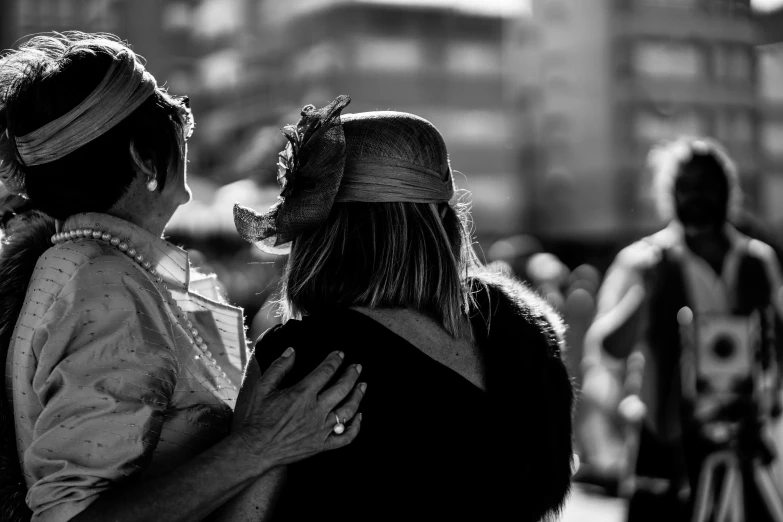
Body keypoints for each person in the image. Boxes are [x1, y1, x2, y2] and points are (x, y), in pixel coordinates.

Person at [0, 33, 366, 522]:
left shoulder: (96, 266)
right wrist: (260, 446)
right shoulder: (104, 284)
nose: (186, 127)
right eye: (176, 114)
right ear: (143, 157)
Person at [227, 96, 575, 521]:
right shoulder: (526, 332)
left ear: (323, 236)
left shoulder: (301, 358)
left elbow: (241, 517)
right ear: (443, 220)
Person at [582, 137, 783, 521]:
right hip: (666, 441)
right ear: (667, 194)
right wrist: (647, 293)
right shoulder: (642, 262)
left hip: (746, 439)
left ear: (729, 190)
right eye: (685, 187)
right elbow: (606, 351)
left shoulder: (759, 261)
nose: (697, 196)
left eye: (708, 185)